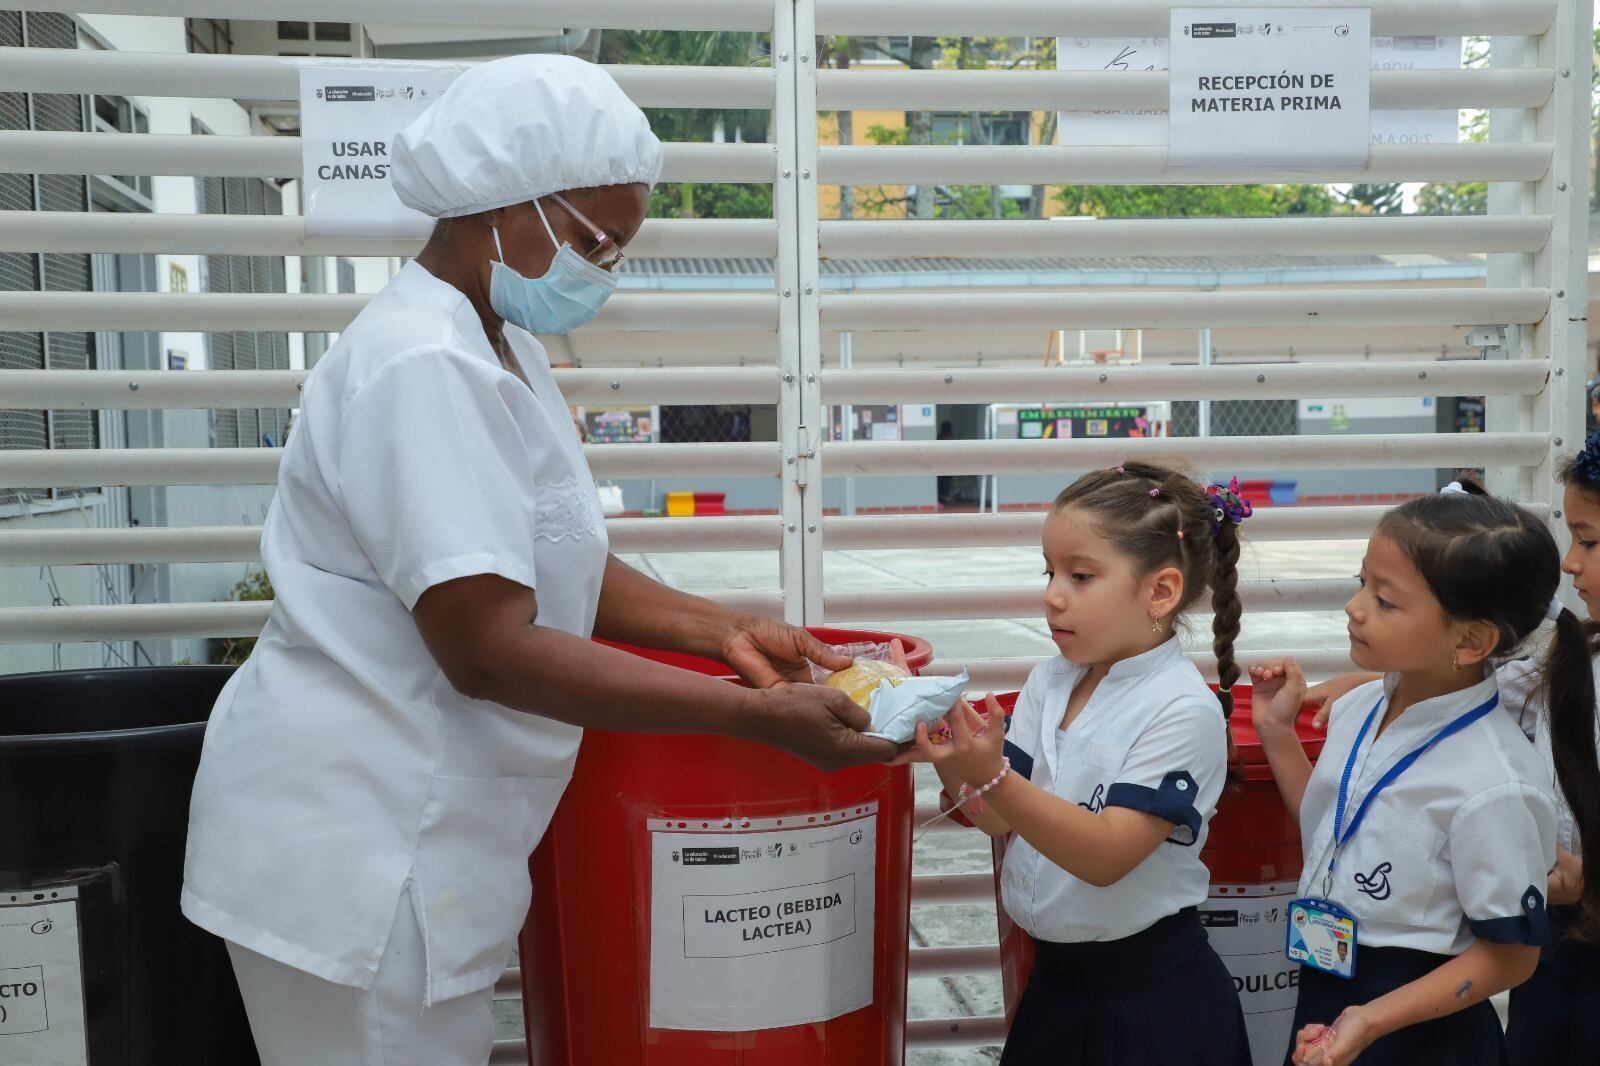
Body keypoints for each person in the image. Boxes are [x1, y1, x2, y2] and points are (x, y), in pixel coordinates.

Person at [181, 55, 894, 1066]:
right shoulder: (423, 363)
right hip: (358, 850)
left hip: (413, 832)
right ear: (502, 203)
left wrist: (727, 631)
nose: (603, 270)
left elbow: (555, 564)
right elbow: (488, 645)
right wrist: (751, 716)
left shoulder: (494, 340)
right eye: (596, 240)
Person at [916, 462, 1253, 1066]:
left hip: (1153, 1004)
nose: (1052, 594)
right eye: (1050, 571)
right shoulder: (1050, 681)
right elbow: (996, 819)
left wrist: (989, 771)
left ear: (1160, 592)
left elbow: (1105, 855)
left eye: (1080, 575)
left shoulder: (1183, 709)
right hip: (1056, 988)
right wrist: (945, 747)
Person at [1249, 482, 1580, 1065]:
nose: (1354, 608)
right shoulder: (1358, 709)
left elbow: (1512, 956)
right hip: (1330, 997)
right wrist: (1277, 733)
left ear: (1471, 640)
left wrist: (1373, 1019)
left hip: (1420, 1031)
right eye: (1361, 584)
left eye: (1385, 601)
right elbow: (1330, 830)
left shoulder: (1495, 782)